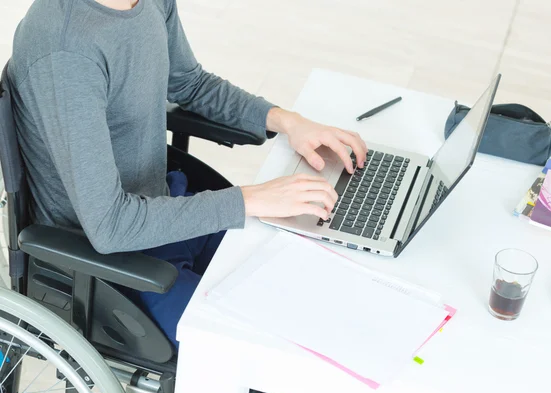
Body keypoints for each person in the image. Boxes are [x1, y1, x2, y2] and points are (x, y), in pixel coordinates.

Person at [9, 0, 367, 350]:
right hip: (111, 266)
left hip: (165, 213)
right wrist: (250, 199)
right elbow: (110, 226)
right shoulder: (65, 52)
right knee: (276, 352)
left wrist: (288, 121)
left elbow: (189, 84)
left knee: (317, 288)